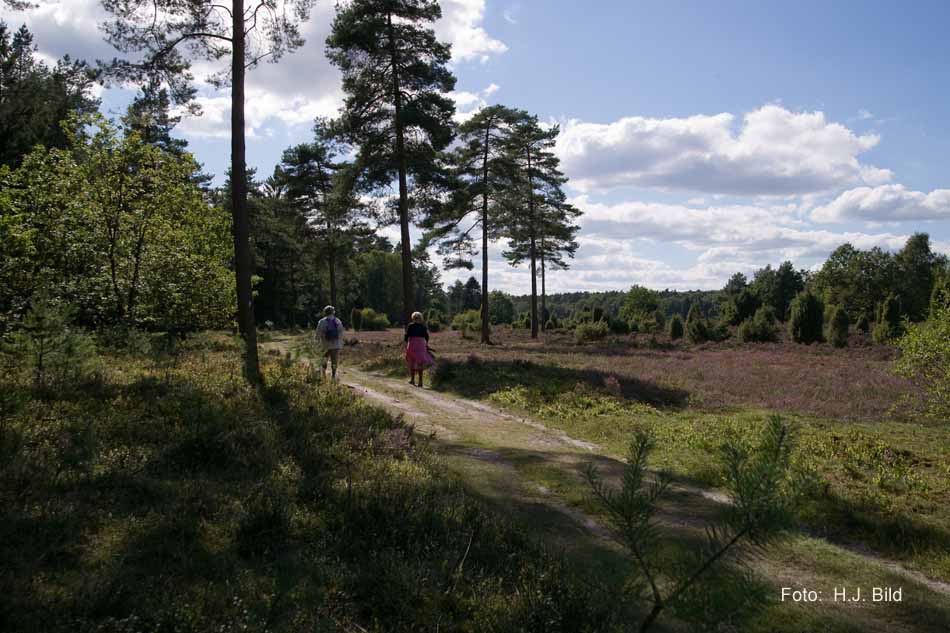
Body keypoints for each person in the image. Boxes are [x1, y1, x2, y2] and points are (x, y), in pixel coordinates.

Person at [404, 311, 435, 387]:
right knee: (420, 363)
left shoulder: (410, 326)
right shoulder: (423, 327)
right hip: (421, 344)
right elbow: (427, 336)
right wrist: (425, 344)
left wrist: (406, 341)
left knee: (412, 362)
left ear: (413, 318)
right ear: (421, 318)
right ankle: (420, 382)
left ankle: (412, 380)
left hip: (412, 343)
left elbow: (407, 335)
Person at [315, 305, 344, 381]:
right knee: (334, 361)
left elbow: (318, 333)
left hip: (325, 345)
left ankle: (323, 374)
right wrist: (340, 342)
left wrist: (317, 341)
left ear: (325, 312)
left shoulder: (321, 322)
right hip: (336, 345)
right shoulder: (337, 321)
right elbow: (341, 332)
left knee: (324, 360)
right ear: (333, 312)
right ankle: (333, 376)